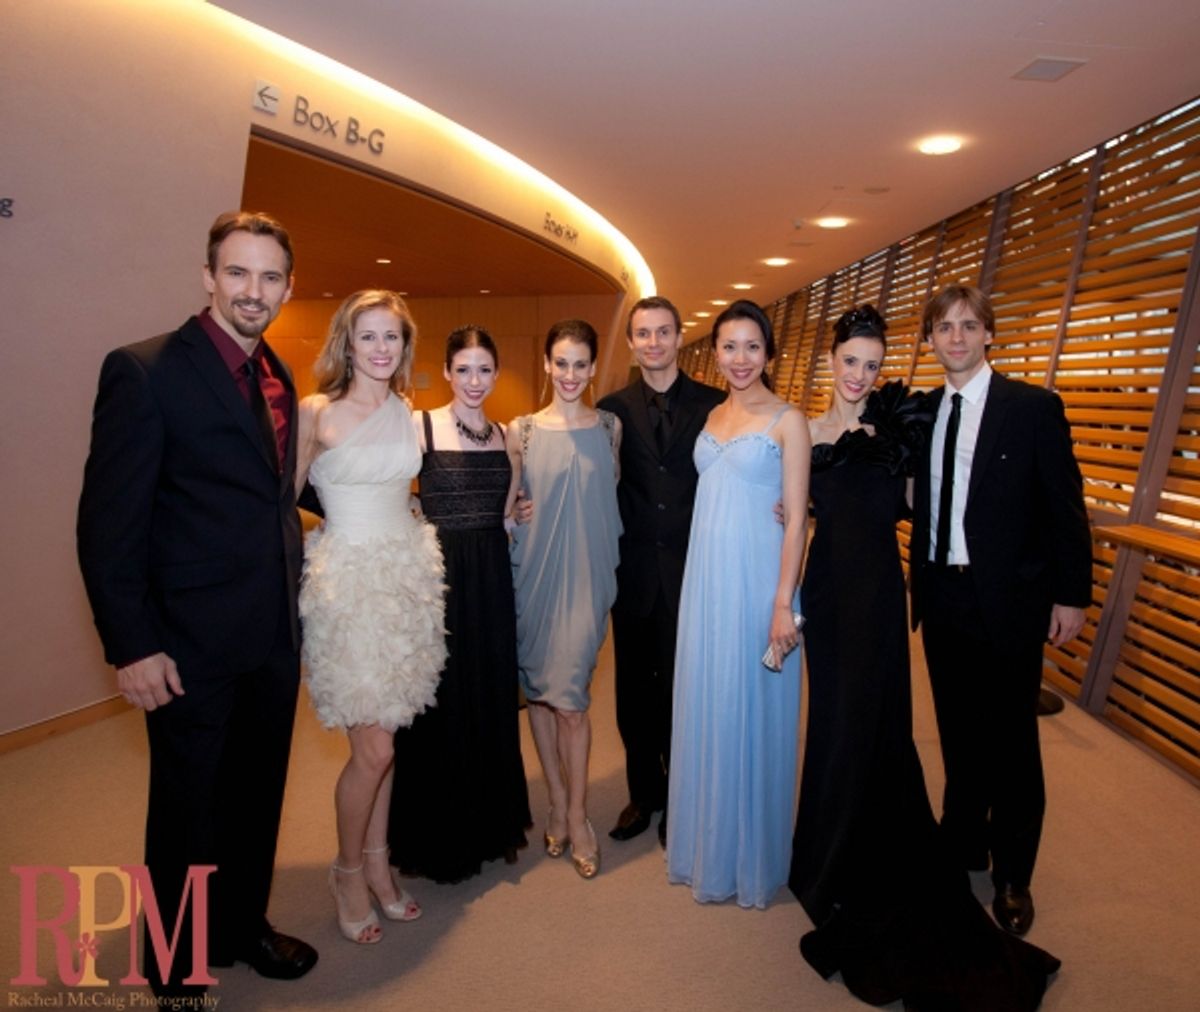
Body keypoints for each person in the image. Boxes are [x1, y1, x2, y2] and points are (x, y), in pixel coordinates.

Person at [788, 305, 1062, 1008]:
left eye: (873, 364)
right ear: (830, 363)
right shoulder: (801, 429)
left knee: (884, 725)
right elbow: (786, 513)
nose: (859, 375)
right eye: (849, 361)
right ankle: (828, 850)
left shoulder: (902, 429)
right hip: (827, 596)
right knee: (836, 724)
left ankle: (982, 865)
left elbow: (939, 502)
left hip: (883, 595)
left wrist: (1060, 587)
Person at [77, 211, 317, 996]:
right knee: (186, 809)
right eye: (238, 273)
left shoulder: (278, 374)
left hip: (272, 635)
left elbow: (274, 497)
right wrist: (131, 645)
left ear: (287, 286)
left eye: (270, 276)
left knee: (256, 798)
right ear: (208, 277)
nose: (255, 291)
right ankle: (171, 962)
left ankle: (243, 925)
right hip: (185, 644)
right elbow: (108, 527)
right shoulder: (143, 371)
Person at [911, 284, 1092, 937]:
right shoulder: (921, 412)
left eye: (968, 326)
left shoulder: (1032, 408)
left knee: (1012, 741)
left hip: (1011, 601)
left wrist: (1073, 593)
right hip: (942, 595)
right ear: (929, 340)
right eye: (943, 328)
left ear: (988, 334)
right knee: (958, 733)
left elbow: (1064, 509)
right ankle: (964, 846)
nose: (955, 337)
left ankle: (1014, 875)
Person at [296, 290, 446, 944]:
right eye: (369, 337)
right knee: (373, 748)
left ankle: (381, 869)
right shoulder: (316, 412)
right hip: (348, 588)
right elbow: (276, 501)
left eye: (392, 337)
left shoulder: (406, 412)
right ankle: (347, 871)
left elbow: (406, 494)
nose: (381, 348)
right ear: (347, 344)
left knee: (389, 743)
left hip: (406, 582)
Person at [666, 300, 809, 909]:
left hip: (759, 583)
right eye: (729, 346)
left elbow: (798, 519)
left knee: (751, 709)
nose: (741, 358)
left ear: (769, 354)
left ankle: (751, 855)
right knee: (711, 705)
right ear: (715, 352)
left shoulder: (787, 419)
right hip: (706, 583)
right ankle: (708, 847)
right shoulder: (713, 414)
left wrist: (783, 604)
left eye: (753, 347)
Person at [388, 325, 532, 883]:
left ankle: (487, 824)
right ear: (447, 372)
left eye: (485, 370)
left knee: (489, 693)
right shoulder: (419, 427)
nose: (475, 380)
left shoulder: (506, 435)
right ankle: (438, 834)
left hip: (491, 578)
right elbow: (389, 497)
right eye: (464, 369)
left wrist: (516, 515)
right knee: (440, 703)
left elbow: (503, 512)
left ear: (497, 373)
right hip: (439, 581)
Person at [596, 297, 725, 847]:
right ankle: (642, 794)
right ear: (631, 343)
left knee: (683, 693)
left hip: (693, 573)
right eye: (643, 334)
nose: (654, 342)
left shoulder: (717, 405)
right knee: (633, 696)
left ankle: (683, 801)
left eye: (664, 332)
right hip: (633, 576)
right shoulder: (611, 409)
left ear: (679, 337)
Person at [506, 319, 622, 880]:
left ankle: (578, 816)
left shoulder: (611, 428)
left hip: (588, 577)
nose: (570, 374)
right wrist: (515, 513)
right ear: (546, 366)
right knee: (540, 695)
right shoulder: (521, 431)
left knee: (571, 699)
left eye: (581, 363)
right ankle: (555, 800)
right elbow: (505, 511)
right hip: (534, 575)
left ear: (593, 367)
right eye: (561, 363)